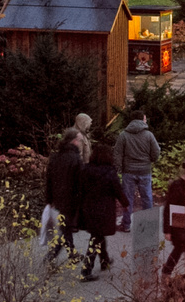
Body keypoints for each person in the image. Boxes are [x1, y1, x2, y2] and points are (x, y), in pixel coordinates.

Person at [76, 142, 129, 281]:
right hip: (104, 210)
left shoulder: (86, 170)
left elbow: (80, 189)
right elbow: (117, 190)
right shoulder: (110, 172)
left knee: (98, 234)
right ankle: (86, 271)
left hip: (88, 208)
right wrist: (125, 204)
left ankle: (104, 260)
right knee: (96, 238)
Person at [114, 113, 160, 232]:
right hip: (145, 171)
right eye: (145, 119)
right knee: (147, 198)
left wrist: (119, 168)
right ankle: (148, 226)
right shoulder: (149, 135)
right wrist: (151, 160)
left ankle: (126, 225)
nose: (146, 121)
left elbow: (117, 153)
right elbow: (156, 152)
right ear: (141, 120)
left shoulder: (123, 135)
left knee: (128, 198)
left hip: (128, 171)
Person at [43, 130, 83, 261]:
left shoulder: (56, 156)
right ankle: (51, 256)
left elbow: (48, 179)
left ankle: (72, 254)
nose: (81, 143)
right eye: (80, 140)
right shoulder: (75, 158)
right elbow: (79, 182)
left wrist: (49, 199)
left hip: (57, 198)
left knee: (65, 227)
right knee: (65, 228)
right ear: (74, 141)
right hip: (70, 199)